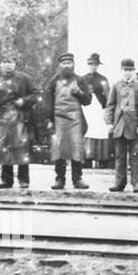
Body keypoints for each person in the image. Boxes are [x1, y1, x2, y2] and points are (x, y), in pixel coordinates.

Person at [0, 53, 37, 190]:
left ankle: (23, 180)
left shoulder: (25, 79)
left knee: (21, 148)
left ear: (15, 64)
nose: (7, 65)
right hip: (1, 118)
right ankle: (7, 180)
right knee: (3, 148)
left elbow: (36, 94)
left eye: (10, 62)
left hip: (19, 116)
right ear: (0, 64)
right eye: (4, 61)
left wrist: (24, 101)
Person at [45, 52, 91, 191]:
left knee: (76, 148)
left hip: (75, 120)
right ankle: (60, 179)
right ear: (60, 65)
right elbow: (48, 101)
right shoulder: (54, 81)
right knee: (59, 149)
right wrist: (48, 119)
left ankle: (77, 179)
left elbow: (88, 100)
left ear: (73, 64)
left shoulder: (80, 80)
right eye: (64, 63)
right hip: (58, 119)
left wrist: (79, 93)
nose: (66, 66)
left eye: (69, 63)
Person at [105, 58, 138, 193]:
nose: (128, 73)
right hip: (119, 126)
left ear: (134, 71)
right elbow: (110, 105)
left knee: (134, 155)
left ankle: (136, 183)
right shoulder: (116, 86)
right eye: (125, 70)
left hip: (133, 127)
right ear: (121, 70)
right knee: (120, 156)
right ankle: (119, 182)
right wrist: (110, 122)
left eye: (130, 70)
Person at [82, 53, 113, 169]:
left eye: (95, 64)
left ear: (98, 65)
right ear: (87, 65)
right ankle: (87, 158)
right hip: (87, 109)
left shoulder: (102, 79)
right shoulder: (82, 79)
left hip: (100, 109)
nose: (93, 67)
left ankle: (102, 159)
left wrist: (107, 110)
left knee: (100, 132)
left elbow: (108, 95)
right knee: (88, 131)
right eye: (90, 64)